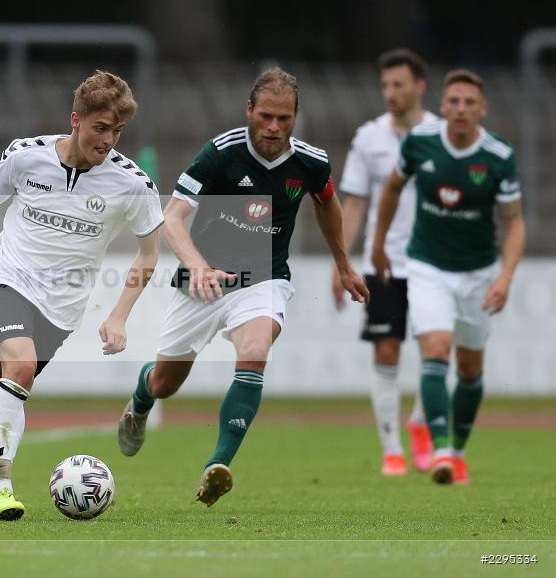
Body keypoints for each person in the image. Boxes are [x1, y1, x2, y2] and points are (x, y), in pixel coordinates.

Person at [0, 70, 164, 520]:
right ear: (75, 120)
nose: (109, 140)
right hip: (9, 279)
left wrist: (119, 317)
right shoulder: (25, 156)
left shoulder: (132, 184)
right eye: (100, 127)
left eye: (117, 131)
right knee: (20, 369)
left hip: (63, 307)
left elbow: (148, 255)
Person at [117, 67, 370, 507]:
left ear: (296, 118)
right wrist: (196, 266)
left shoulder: (311, 162)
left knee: (255, 351)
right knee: (165, 383)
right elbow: (172, 218)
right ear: (249, 110)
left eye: (284, 119)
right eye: (266, 116)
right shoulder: (220, 153)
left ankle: (218, 465)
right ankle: (141, 399)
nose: (273, 127)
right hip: (203, 281)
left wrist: (344, 265)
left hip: (264, 278)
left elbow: (327, 203)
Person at [372, 69, 525, 485]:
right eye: (453, 101)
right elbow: (390, 189)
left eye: (469, 103)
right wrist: (379, 244)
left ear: (482, 109)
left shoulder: (498, 156)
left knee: (471, 368)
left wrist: (505, 277)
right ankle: (440, 449)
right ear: (442, 106)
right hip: (427, 265)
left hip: (479, 272)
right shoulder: (420, 143)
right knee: (436, 348)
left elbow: (513, 224)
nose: (460, 109)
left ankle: (457, 451)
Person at [335, 49, 436, 476]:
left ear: (420, 86)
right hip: (383, 263)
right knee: (388, 348)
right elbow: (354, 203)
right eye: (385, 86)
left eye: (399, 84)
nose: (391, 93)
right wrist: (340, 262)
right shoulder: (368, 138)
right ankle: (392, 448)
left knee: (438, 351)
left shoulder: (443, 134)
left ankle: (420, 424)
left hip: (436, 262)